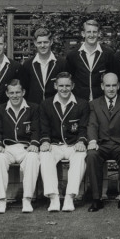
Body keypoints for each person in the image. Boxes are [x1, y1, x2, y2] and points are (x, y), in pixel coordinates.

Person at [38, 72, 89, 212]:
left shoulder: (82, 104)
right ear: (55, 86)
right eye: (61, 85)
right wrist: (45, 142)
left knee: (80, 155)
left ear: (72, 86)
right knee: (45, 155)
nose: (64, 89)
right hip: (55, 145)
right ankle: (54, 197)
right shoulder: (46, 104)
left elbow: (84, 127)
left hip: (73, 145)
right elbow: (44, 128)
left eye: (67, 85)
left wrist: (81, 141)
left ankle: (69, 197)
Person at [86, 73, 120, 212]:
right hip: (101, 144)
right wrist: (93, 141)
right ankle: (97, 198)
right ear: (102, 86)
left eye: (114, 85)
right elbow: (92, 125)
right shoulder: (94, 104)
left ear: (118, 86)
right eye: (108, 85)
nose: (111, 88)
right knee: (91, 155)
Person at [0, 79, 40, 214]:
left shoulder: (33, 108)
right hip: (8, 148)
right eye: (11, 93)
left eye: (18, 92)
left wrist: (34, 143)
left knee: (33, 158)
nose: (15, 95)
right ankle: (1, 200)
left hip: (26, 147)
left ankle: (27, 199)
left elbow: (36, 130)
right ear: (7, 94)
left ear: (23, 92)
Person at [65, 19, 115, 102]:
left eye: (94, 32)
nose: (91, 35)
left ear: (99, 34)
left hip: (101, 101)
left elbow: (113, 76)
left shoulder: (108, 54)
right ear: (83, 34)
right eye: (88, 32)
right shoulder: (73, 55)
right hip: (79, 101)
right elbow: (70, 79)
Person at [21, 27, 67, 105]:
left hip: (55, 108)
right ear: (35, 43)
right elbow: (25, 89)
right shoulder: (27, 64)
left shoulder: (61, 63)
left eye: (45, 42)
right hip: (34, 109)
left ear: (51, 42)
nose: (42, 45)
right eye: (39, 43)